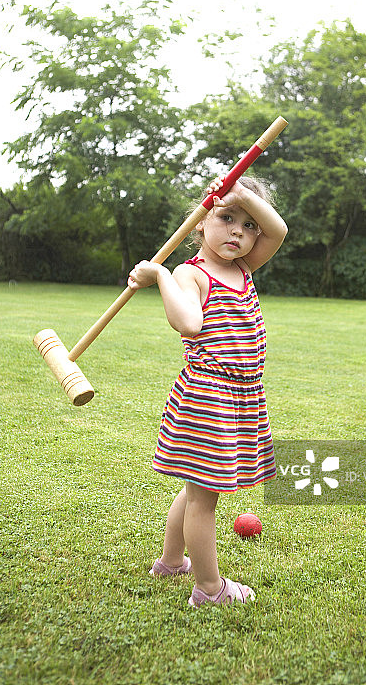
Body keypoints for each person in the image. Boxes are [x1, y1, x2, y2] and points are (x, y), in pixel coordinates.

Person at [128, 174, 288, 606]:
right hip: (209, 395)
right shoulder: (189, 274)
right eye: (226, 218)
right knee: (204, 498)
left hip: (240, 395)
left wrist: (240, 195)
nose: (239, 231)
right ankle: (210, 588)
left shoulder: (243, 267)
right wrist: (162, 275)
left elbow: (279, 230)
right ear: (201, 221)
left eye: (248, 224)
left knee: (196, 488)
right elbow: (188, 323)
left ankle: (170, 562)